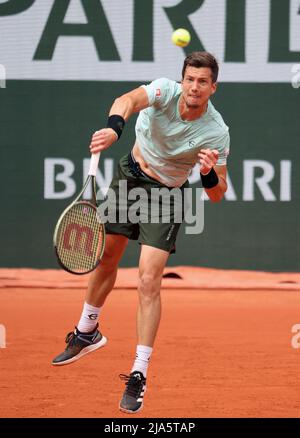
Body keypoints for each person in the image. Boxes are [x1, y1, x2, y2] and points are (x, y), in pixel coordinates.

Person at [52, 51, 230, 414]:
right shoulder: (164, 92)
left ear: (213, 87)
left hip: (168, 194)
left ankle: (138, 373)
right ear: (182, 81)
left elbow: (217, 194)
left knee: (149, 280)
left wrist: (209, 172)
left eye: (202, 82)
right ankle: (87, 332)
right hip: (130, 175)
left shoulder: (216, 131)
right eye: (190, 79)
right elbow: (127, 101)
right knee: (106, 256)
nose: (194, 87)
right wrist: (114, 128)